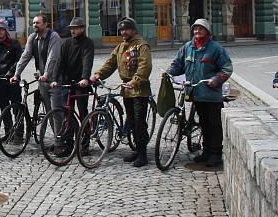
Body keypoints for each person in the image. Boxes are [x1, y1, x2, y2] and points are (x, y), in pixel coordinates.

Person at [164, 18, 232, 168]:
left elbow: (227, 68)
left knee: (214, 124)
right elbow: (178, 64)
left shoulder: (216, 49)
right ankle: (206, 152)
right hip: (196, 93)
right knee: (203, 124)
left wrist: (216, 80)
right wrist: (169, 73)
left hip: (212, 95)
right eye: (195, 29)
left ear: (207, 31)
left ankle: (215, 153)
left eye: (200, 29)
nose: (197, 32)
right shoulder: (187, 47)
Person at [91, 17, 153, 167]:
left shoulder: (141, 45)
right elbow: (110, 63)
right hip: (126, 90)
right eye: (121, 30)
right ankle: (137, 150)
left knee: (139, 123)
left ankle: (143, 154)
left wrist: (135, 80)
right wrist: (98, 74)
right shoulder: (120, 47)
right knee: (131, 121)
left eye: (126, 29)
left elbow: (145, 66)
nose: (123, 32)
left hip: (139, 90)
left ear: (133, 30)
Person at [52, 17, 95, 153]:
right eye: (71, 28)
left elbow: (87, 61)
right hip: (67, 83)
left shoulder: (88, 43)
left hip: (81, 84)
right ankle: (68, 145)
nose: (73, 31)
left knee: (83, 113)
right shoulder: (66, 43)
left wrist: (85, 78)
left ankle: (85, 144)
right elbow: (60, 63)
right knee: (67, 115)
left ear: (82, 28)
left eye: (75, 28)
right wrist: (55, 79)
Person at [12, 14, 63, 114]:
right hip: (42, 80)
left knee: (56, 112)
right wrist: (16, 74)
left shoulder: (53, 36)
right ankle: (54, 129)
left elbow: (52, 58)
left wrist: (46, 74)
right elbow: (25, 56)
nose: (35, 25)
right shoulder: (32, 37)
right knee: (48, 111)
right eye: (34, 23)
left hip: (55, 79)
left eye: (38, 23)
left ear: (45, 24)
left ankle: (61, 130)